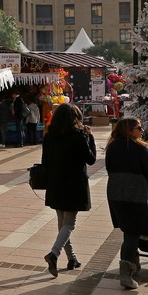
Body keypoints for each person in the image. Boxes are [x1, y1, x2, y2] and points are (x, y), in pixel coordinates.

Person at [104, 117, 148, 290]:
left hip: (116, 194)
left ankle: (134, 264)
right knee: (132, 233)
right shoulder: (141, 149)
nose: (142, 131)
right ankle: (125, 274)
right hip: (136, 196)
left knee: (129, 230)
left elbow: (110, 169)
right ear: (128, 130)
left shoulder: (112, 147)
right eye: (138, 128)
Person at [41, 103, 97, 277]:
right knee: (69, 224)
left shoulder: (49, 136)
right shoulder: (78, 136)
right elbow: (91, 159)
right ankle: (54, 254)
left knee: (62, 222)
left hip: (56, 183)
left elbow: (45, 163)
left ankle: (71, 258)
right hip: (73, 185)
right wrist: (90, 137)